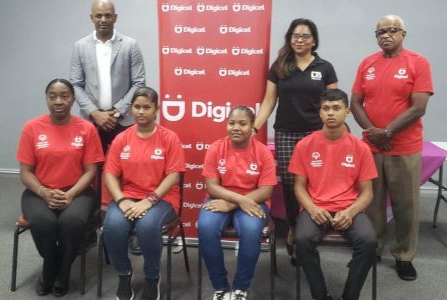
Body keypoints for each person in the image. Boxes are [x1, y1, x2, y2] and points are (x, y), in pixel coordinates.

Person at [350, 15, 433, 281]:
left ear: (403, 34)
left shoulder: (417, 62)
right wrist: (374, 134)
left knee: (405, 205)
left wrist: (388, 132)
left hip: (404, 148)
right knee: (371, 203)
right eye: (380, 32)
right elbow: (355, 103)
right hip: (372, 148)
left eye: (391, 30)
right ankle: (372, 248)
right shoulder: (367, 63)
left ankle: (404, 255)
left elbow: (418, 107)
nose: (385, 35)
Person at [254, 18, 338, 259]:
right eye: (295, 36)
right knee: (291, 185)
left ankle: (310, 230)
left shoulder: (325, 67)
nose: (299, 40)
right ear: (289, 39)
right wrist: (255, 126)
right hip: (286, 134)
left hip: (315, 134)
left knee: (314, 184)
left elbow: (333, 103)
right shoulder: (280, 66)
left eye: (305, 36)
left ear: (314, 40)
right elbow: (269, 101)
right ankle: (293, 226)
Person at [16, 78, 104, 297]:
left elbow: (91, 171)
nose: (59, 101)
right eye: (53, 96)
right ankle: (51, 269)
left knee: (71, 222)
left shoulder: (87, 128)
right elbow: (25, 173)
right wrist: (44, 192)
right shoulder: (32, 128)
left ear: (73, 100)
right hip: (38, 191)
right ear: (46, 99)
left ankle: (60, 273)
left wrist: (71, 193)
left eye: (65, 96)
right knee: (43, 222)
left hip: (79, 191)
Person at [289, 89, 377, 300]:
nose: (330, 113)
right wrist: (312, 208)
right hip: (315, 208)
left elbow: (367, 193)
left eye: (336, 108)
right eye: (326, 109)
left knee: (369, 242)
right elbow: (299, 187)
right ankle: (321, 295)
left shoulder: (361, 148)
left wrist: (351, 211)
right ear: (319, 113)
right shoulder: (304, 145)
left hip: (349, 208)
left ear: (347, 112)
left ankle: (350, 296)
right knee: (301, 240)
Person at [102, 87, 185, 300]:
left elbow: (173, 176)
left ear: (157, 109)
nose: (141, 112)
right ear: (131, 109)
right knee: (112, 226)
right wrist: (120, 200)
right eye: (137, 107)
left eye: (147, 107)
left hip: (162, 199)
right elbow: (110, 174)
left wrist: (150, 200)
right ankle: (124, 275)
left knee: (147, 226)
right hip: (127, 197)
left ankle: (152, 278)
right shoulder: (122, 138)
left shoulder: (169, 138)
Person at [198, 105, 277, 300]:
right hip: (220, 199)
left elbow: (266, 190)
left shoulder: (263, 152)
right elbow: (212, 187)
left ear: (252, 127)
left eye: (243, 124)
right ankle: (221, 287)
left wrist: (234, 203)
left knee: (251, 232)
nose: (236, 128)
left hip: (254, 201)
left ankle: (240, 288)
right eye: (231, 123)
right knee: (206, 228)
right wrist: (238, 200)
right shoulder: (217, 148)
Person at [70, 0, 146, 152]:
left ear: (115, 17)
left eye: (107, 15)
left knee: (124, 169)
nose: (103, 20)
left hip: (123, 120)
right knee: (92, 170)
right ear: (92, 18)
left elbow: (139, 83)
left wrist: (117, 112)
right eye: (98, 16)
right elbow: (75, 84)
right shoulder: (80, 46)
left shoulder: (130, 45)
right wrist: (95, 112)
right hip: (92, 120)